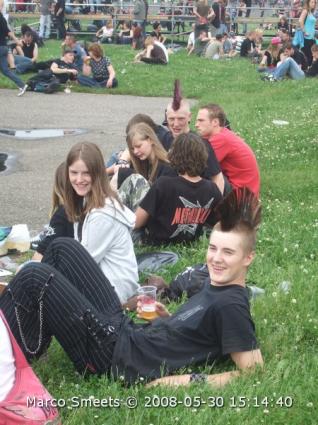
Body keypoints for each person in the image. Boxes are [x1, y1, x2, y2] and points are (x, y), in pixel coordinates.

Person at [0, 188, 263, 385]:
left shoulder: (232, 304)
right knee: (63, 247)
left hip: (113, 358)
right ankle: (30, 336)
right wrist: (169, 319)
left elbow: (253, 370)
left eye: (228, 252)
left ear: (248, 258)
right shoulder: (218, 285)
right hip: (126, 331)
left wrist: (181, 381)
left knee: (36, 276)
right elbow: (201, 332)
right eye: (213, 248)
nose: (216, 258)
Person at [134, 132, 222, 244]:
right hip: (188, 241)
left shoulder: (163, 184)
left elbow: (136, 222)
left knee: (135, 181)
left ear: (174, 156)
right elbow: (222, 223)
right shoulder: (212, 189)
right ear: (203, 156)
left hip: (154, 240)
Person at [195, 104, 260, 197]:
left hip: (240, 198)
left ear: (215, 122)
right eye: (197, 120)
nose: (196, 125)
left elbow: (196, 166)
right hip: (246, 194)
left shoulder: (221, 139)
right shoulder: (223, 133)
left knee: (197, 172)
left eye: (201, 121)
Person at [114, 123, 175, 211]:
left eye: (138, 146)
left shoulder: (167, 168)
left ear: (150, 140)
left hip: (155, 215)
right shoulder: (143, 163)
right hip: (140, 212)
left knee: (123, 173)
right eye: (132, 148)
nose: (135, 151)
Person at [32, 162, 73, 261]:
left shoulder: (63, 213)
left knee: (25, 269)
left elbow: (40, 255)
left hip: (66, 267)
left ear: (58, 186)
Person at [0, 10, 28, 96]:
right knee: (5, 70)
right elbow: (9, 32)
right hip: (4, 47)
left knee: (5, 70)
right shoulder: (2, 19)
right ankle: (22, 85)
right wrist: (16, 40)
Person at [299, 0, 317, 65]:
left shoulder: (311, 12)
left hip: (311, 37)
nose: (313, 4)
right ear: (308, 3)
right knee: (308, 54)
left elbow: (311, 24)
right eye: (312, 2)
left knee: (311, 54)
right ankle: (306, 68)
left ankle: (309, 68)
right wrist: (304, 31)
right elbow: (300, 20)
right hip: (306, 37)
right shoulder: (305, 11)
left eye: (314, 2)